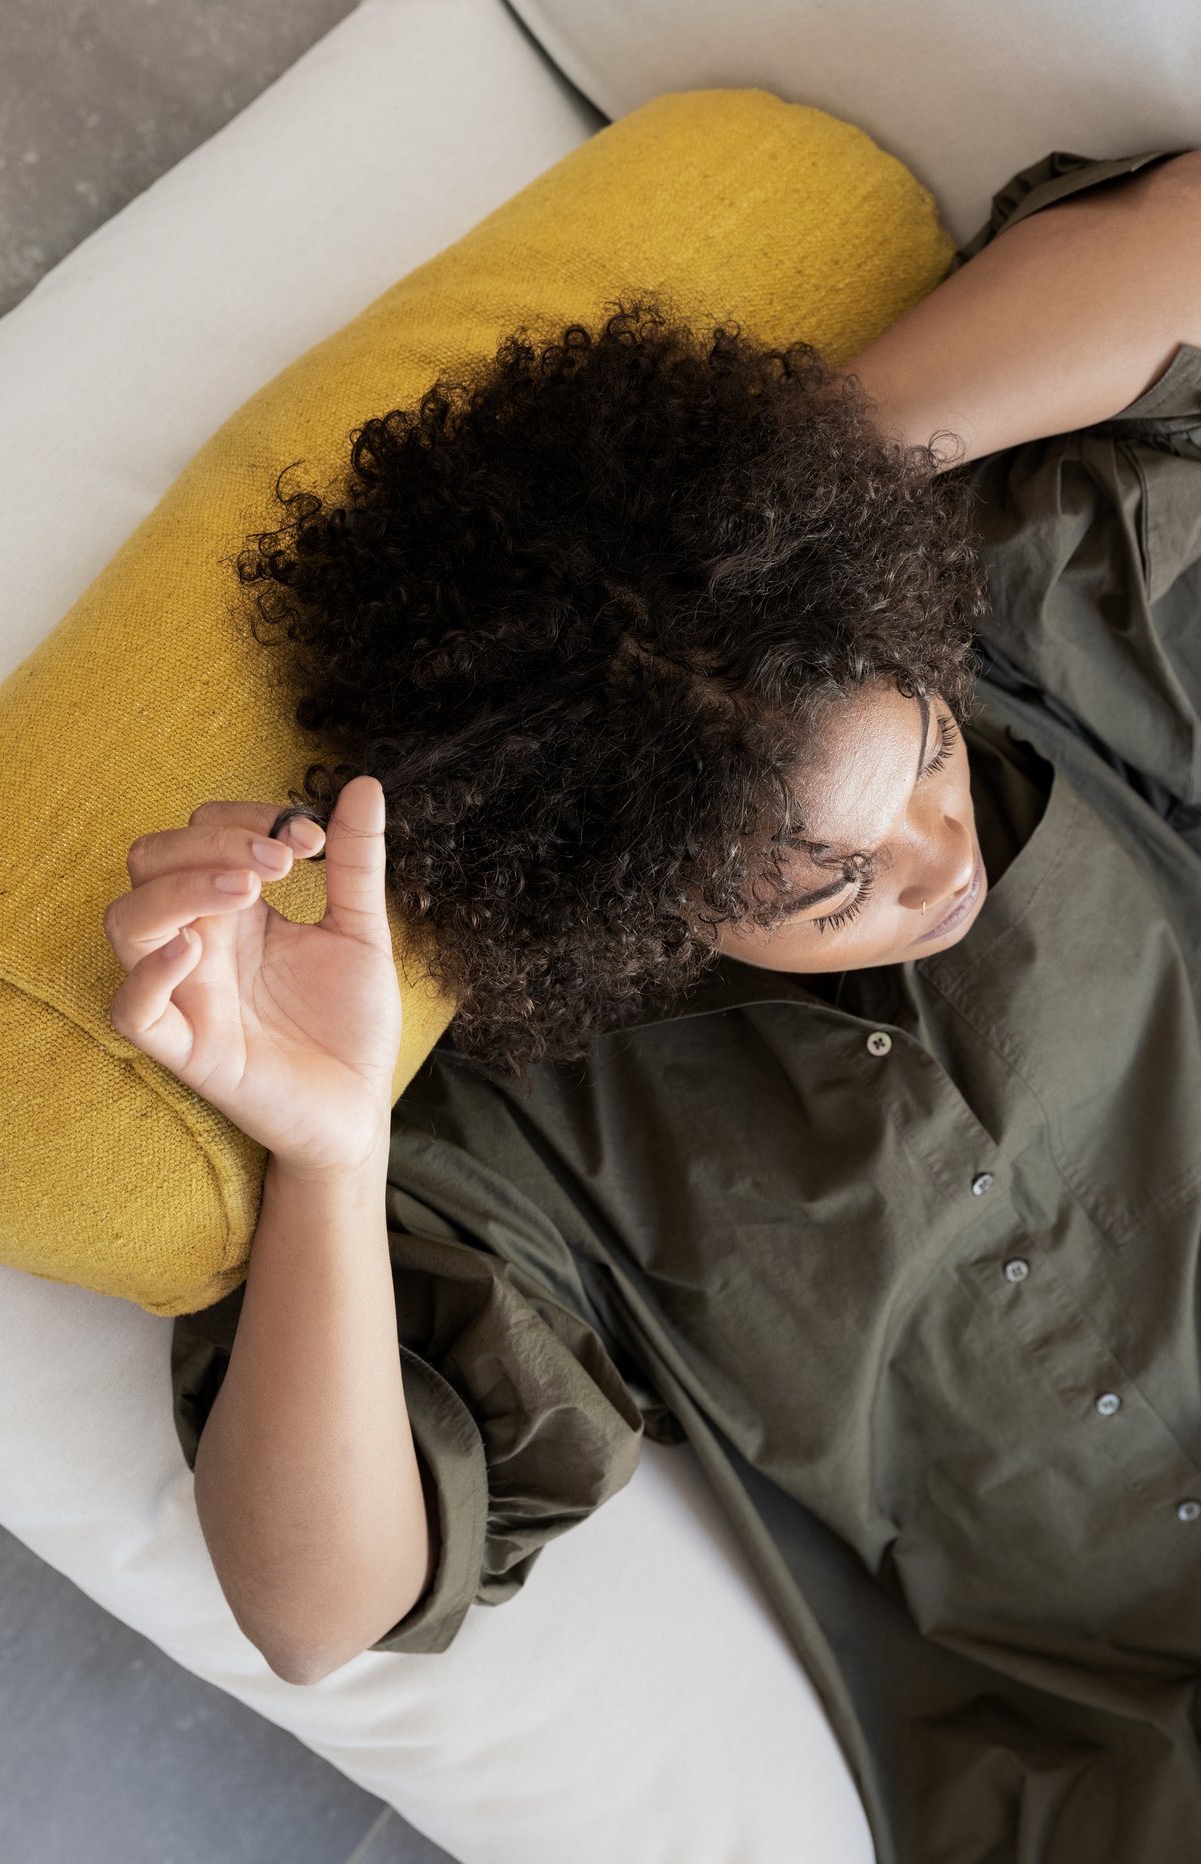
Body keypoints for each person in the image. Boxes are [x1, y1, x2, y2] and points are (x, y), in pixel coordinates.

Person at [102, 146, 1201, 1864]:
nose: (942, 855)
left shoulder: (1034, 645)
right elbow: (318, 1610)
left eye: (923, 753)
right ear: (632, 883)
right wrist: (323, 1161)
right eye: (829, 882)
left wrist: (758, 539)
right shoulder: (525, 1117)